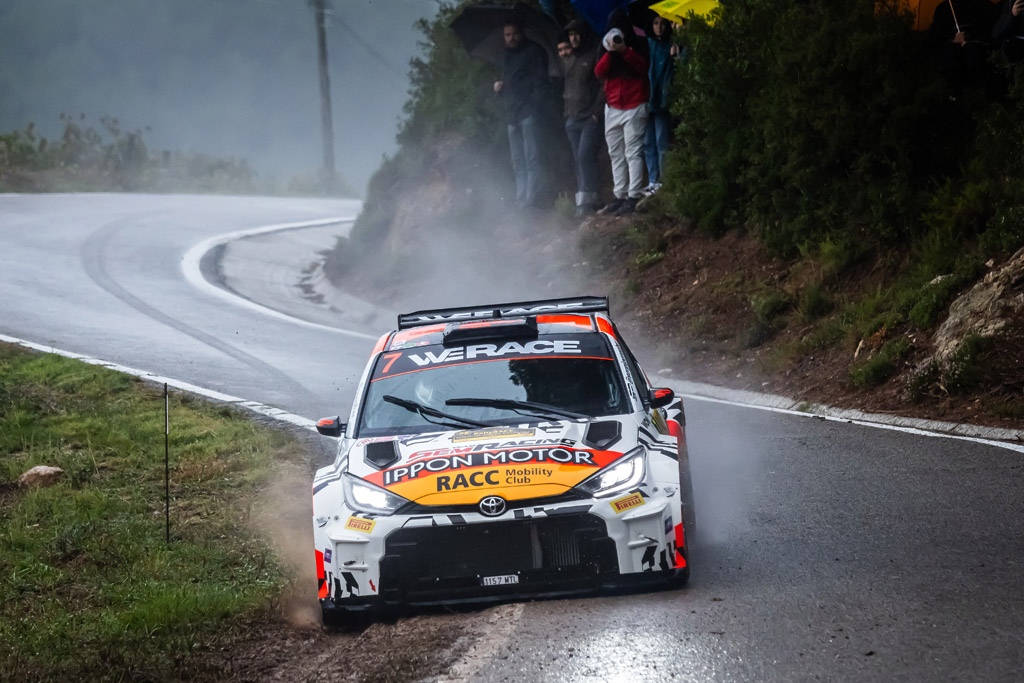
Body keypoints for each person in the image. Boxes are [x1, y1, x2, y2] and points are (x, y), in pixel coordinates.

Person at [594, 9, 649, 216]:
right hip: (613, 105)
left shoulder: (639, 43)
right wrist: (610, 52)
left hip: (635, 103)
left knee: (632, 152)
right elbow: (599, 72)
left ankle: (633, 196)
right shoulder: (604, 45)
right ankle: (620, 195)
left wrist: (625, 50)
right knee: (615, 153)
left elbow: (643, 68)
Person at [494, 20, 549, 209]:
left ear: (522, 33)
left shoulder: (534, 51)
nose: (512, 38)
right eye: (508, 35)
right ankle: (520, 198)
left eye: (515, 33)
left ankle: (531, 198)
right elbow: (511, 84)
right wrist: (500, 88)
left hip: (527, 113)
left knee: (531, 157)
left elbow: (541, 83)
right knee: (517, 161)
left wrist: (533, 106)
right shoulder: (506, 55)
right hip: (512, 115)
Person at [560, 18, 604, 217]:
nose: (574, 38)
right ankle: (585, 199)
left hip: (589, 116)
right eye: (570, 35)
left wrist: (596, 113)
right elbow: (567, 88)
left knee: (585, 156)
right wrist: (566, 112)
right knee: (578, 159)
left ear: (583, 34)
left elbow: (603, 85)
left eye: (576, 33)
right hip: (572, 117)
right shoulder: (569, 59)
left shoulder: (594, 55)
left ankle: (589, 199)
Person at [643, 14, 682, 196]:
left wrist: (677, 55)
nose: (659, 27)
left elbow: (678, 69)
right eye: (655, 23)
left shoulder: (672, 45)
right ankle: (652, 179)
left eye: (663, 24)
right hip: (648, 97)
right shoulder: (648, 44)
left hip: (663, 99)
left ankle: (663, 181)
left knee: (661, 141)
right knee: (648, 142)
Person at [929, 0, 999, 88]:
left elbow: (992, 31)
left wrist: (973, 40)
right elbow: (936, 38)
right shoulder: (943, 9)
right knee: (951, 52)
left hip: (978, 45)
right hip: (953, 48)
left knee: (971, 50)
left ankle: (977, 88)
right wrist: (953, 40)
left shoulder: (984, 5)